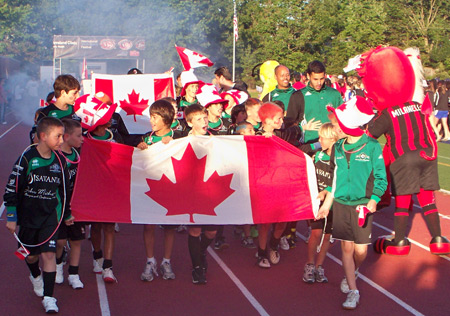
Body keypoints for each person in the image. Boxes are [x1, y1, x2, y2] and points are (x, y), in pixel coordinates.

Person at [361, 47, 450, 256]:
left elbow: (369, 135)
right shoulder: (415, 106)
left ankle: (399, 241)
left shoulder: (388, 113)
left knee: (402, 200)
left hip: (403, 156)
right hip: (426, 153)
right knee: (427, 198)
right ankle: (438, 240)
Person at [318, 96, 387, 310]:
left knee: (361, 251)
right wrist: (326, 206)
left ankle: (353, 272)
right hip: (340, 204)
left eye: (338, 124)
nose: (335, 128)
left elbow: (381, 178)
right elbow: (334, 179)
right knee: (346, 248)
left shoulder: (373, 147)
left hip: (362, 207)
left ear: (349, 124)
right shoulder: (338, 148)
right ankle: (353, 290)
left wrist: (374, 200)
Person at [4, 117, 74, 313]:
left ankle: (49, 297)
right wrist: (11, 216)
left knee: (49, 255)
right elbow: (12, 188)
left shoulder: (60, 161)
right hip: (28, 218)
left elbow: (64, 191)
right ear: (43, 136)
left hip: (50, 217)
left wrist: (66, 214)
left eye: (63, 136)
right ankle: (35, 277)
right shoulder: (27, 158)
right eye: (58, 136)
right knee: (32, 257)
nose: (61, 140)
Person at [75, 94, 122, 283]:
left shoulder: (115, 136)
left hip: (111, 188)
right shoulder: (84, 140)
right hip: (92, 189)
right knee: (95, 227)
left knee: (109, 227)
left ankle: (108, 266)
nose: (110, 118)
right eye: (106, 117)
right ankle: (97, 256)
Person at [136, 99, 182, 282]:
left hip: (170, 188)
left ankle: (166, 261)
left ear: (166, 118)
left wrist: (171, 144)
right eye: (151, 117)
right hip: (150, 187)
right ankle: (150, 261)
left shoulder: (177, 136)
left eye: (156, 117)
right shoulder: (146, 137)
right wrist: (140, 150)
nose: (152, 121)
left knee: (169, 227)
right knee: (148, 225)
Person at [254, 103, 302, 268]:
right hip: (265, 185)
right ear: (267, 120)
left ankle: (273, 246)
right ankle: (261, 253)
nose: (282, 121)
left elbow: (297, 138)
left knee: (283, 220)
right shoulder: (255, 136)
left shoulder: (282, 135)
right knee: (265, 223)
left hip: (282, 183)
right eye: (279, 118)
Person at [184, 103, 218, 284]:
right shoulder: (181, 140)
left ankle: (201, 250)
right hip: (192, 192)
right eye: (199, 119)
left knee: (211, 232)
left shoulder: (217, 138)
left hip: (212, 191)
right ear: (190, 123)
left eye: (205, 118)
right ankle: (197, 267)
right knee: (195, 230)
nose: (204, 121)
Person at [302, 123, 338, 284]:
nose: (320, 140)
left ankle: (319, 266)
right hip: (316, 201)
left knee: (327, 236)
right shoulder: (317, 156)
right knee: (316, 233)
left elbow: (340, 180)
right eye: (320, 137)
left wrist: (327, 191)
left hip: (332, 203)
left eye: (323, 138)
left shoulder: (339, 159)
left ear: (333, 139)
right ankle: (309, 265)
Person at [287, 60, 342, 155]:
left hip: (332, 146)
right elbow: (290, 123)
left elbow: (342, 119)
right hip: (309, 147)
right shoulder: (298, 96)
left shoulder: (334, 94)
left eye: (321, 79)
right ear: (308, 76)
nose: (319, 83)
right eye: (315, 79)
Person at [54, 119, 85, 289]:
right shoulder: (56, 156)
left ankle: (74, 274)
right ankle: (58, 265)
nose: (82, 139)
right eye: (79, 136)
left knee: (77, 240)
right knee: (60, 241)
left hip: (76, 205)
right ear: (66, 137)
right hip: (59, 206)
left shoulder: (78, 155)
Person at [31, 75, 81, 143]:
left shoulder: (77, 110)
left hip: (76, 153)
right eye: (74, 93)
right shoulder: (46, 113)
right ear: (63, 92)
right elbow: (37, 140)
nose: (78, 96)